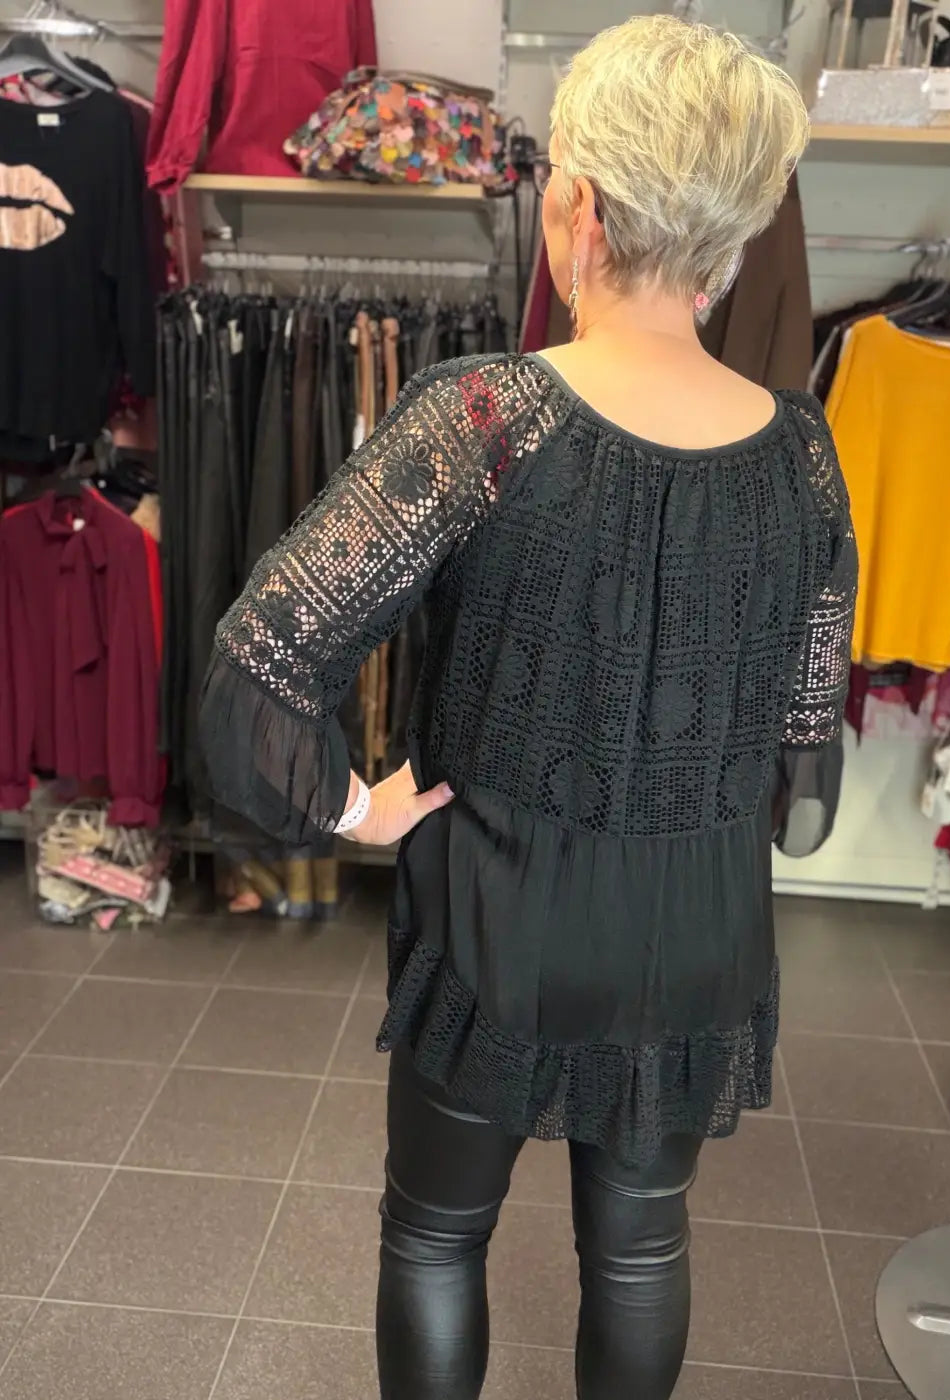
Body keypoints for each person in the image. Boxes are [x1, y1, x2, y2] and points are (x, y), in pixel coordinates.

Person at [199, 15, 857, 1400]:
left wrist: (348, 808)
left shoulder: (482, 420)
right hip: (698, 927)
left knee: (438, 1234)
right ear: (735, 238)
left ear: (579, 206)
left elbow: (265, 655)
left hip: (504, 914)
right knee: (642, 1249)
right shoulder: (803, 452)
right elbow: (805, 734)